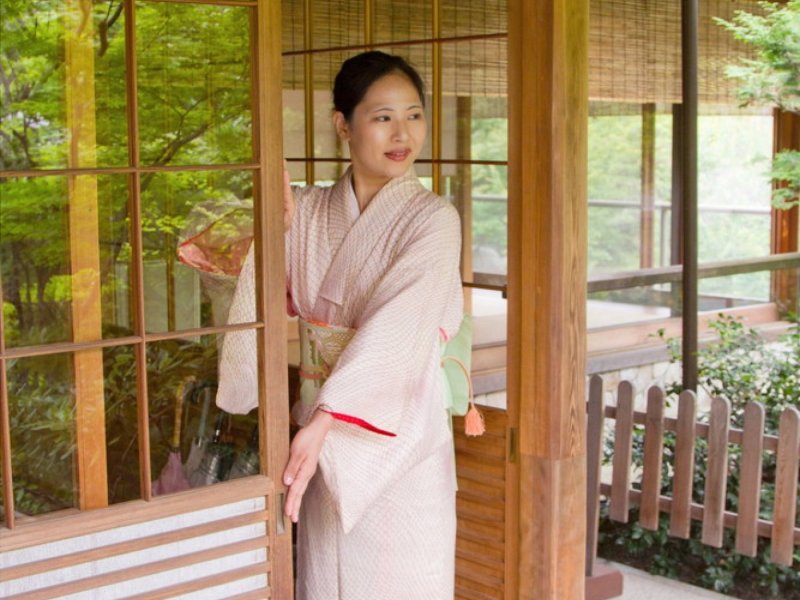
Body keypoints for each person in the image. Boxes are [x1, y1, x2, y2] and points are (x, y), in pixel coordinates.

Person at [218, 51, 463, 599]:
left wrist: (328, 418)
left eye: (414, 115)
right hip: (320, 438)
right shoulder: (305, 210)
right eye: (382, 117)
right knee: (326, 578)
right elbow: (263, 291)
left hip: (397, 434)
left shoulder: (434, 219)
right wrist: (272, 231)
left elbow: (398, 330)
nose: (403, 133)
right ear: (343, 125)